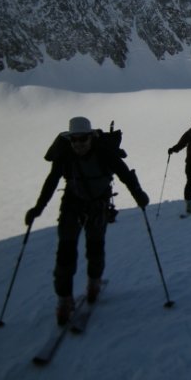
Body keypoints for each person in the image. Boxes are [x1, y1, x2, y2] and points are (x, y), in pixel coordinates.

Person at [25, 117, 149, 325]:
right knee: (65, 252)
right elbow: (51, 182)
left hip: (97, 205)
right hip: (72, 204)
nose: (78, 144)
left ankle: (93, 283)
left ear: (91, 137)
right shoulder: (64, 156)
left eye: (82, 139)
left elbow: (125, 174)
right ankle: (64, 300)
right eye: (74, 140)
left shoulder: (104, 153)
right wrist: (38, 208)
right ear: (69, 139)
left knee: (95, 246)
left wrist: (139, 195)